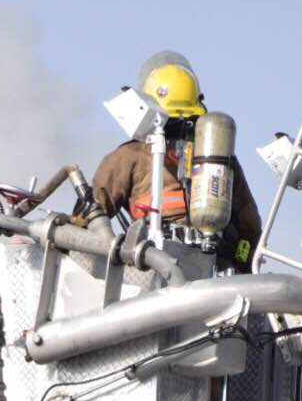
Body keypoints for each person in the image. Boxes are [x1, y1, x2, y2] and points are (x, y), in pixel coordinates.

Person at [90, 51, 262, 271]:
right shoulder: (218, 159)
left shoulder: (127, 157)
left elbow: (91, 217)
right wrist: (239, 264)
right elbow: (250, 228)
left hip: (152, 273)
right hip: (214, 277)